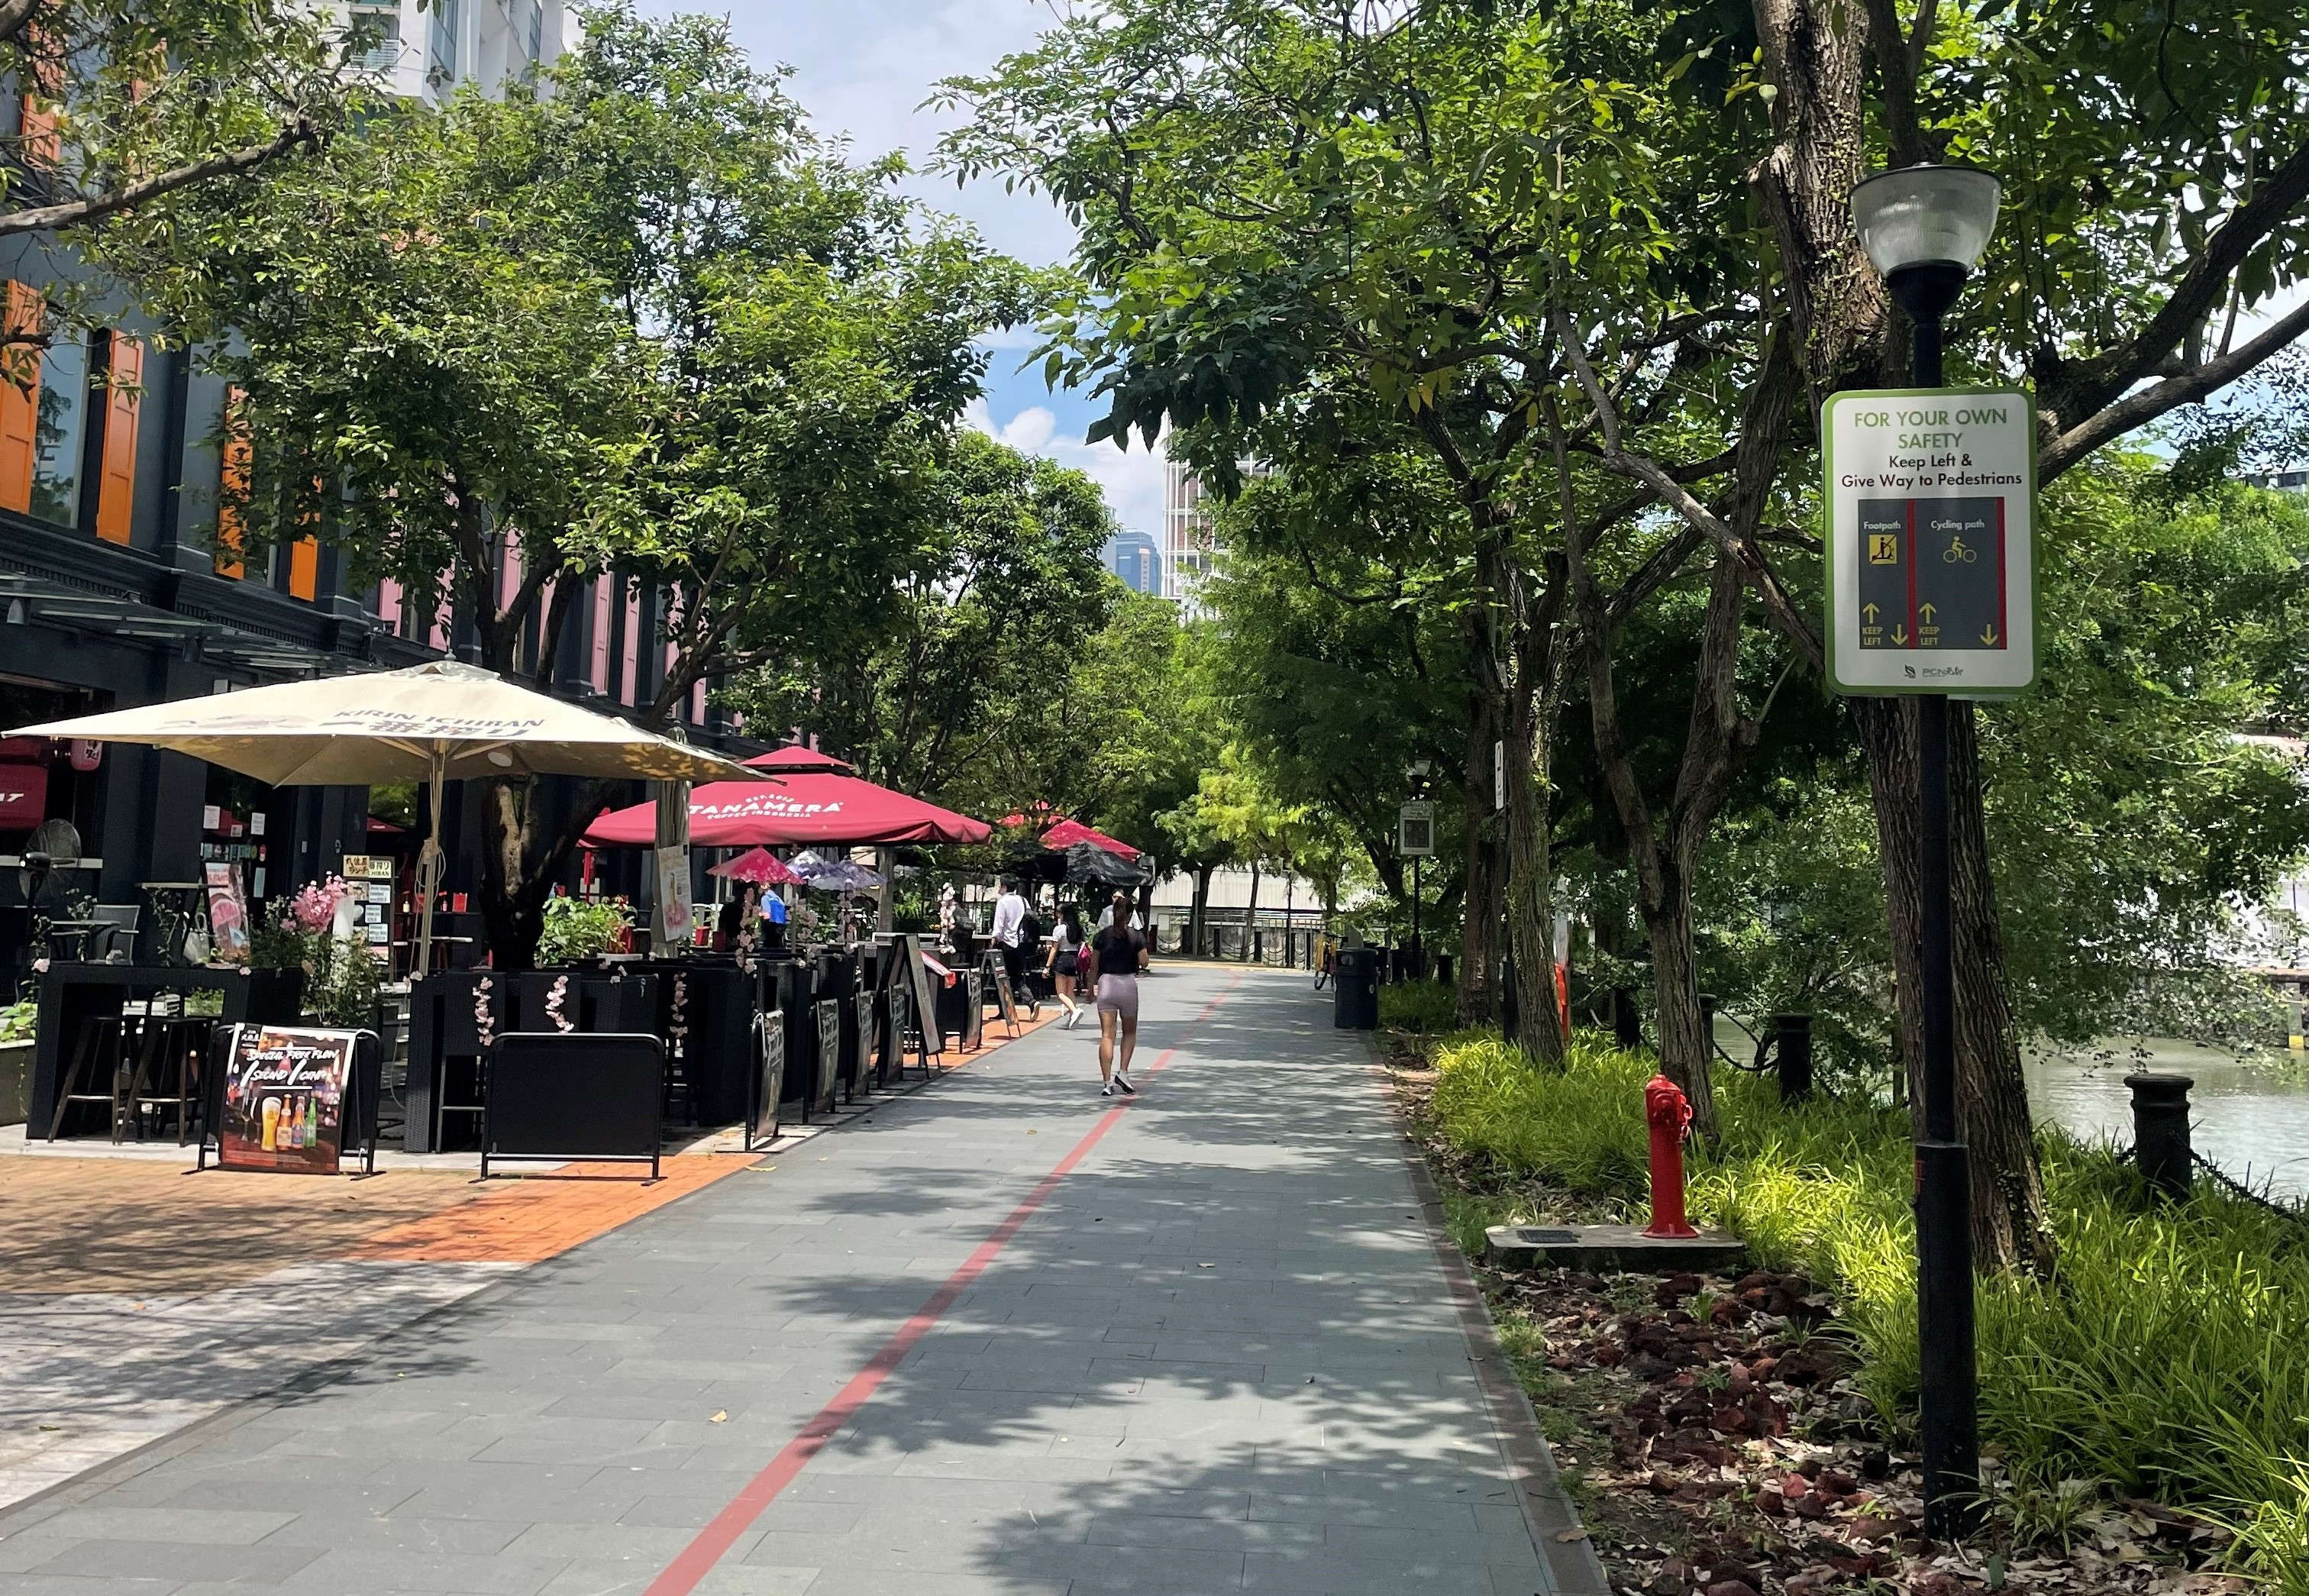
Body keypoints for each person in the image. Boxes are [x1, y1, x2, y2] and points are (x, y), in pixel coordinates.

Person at [1089, 890, 1149, 1096]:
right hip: (1127, 984)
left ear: (1113, 913)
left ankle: (1107, 1082)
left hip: (1106, 984)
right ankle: (1123, 1072)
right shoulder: (1136, 936)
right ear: (1132, 914)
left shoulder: (1101, 936)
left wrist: (1090, 989)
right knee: (1129, 1032)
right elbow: (1144, 962)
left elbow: (1093, 966)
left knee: (1107, 1035)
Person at [990, 876, 1038, 1017]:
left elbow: (998, 927)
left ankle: (1009, 1009)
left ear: (1004, 887)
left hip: (1006, 944)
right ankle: (1028, 1002)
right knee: (1016, 976)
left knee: (1001, 977)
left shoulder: (1003, 902)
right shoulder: (1023, 901)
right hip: (1021, 944)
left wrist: (993, 941)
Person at [1044, 901, 1088, 1028]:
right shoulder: (1078, 929)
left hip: (1063, 959)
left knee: (1061, 993)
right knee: (1070, 992)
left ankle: (1075, 1011)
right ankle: (1072, 1019)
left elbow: (1054, 949)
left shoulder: (1059, 929)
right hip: (1074, 960)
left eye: (1058, 913)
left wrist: (1047, 967)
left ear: (1062, 914)